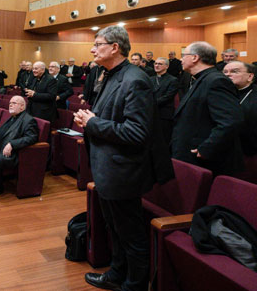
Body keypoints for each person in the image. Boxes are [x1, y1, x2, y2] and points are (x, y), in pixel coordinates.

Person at [73, 25, 173, 291]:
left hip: (124, 171)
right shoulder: (110, 74)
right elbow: (110, 118)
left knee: (130, 234)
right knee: (114, 228)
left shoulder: (135, 79)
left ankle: (134, 284)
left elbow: (137, 132)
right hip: (108, 167)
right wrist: (89, 120)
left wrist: (93, 123)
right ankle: (116, 274)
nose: (93, 49)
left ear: (114, 47)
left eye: (97, 44)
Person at [170, 42, 244, 176]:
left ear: (195, 57)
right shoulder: (201, 79)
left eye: (183, 55)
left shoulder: (216, 81)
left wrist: (206, 148)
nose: (181, 59)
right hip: (190, 153)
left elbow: (230, 121)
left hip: (205, 159)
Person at [223, 61, 256, 157]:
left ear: (250, 76)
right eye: (225, 72)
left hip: (247, 150)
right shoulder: (220, 92)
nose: (228, 74)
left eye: (234, 71)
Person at [151, 57, 179, 145]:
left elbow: (168, 97)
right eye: (155, 63)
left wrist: (151, 103)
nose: (157, 65)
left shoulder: (173, 80)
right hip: (151, 113)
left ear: (166, 66)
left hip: (164, 114)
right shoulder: (150, 79)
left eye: (160, 64)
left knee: (163, 141)